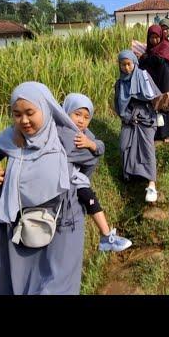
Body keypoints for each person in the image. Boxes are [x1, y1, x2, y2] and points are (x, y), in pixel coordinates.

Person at [0, 82, 89, 295]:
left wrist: (78, 179)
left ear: (46, 107)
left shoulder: (66, 137)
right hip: (19, 222)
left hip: (63, 221)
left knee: (57, 283)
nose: (24, 120)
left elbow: (93, 157)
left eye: (30, 113)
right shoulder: (12, 137)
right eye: (17, 114)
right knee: (17, 280)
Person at [61, 93, 132, 252]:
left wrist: (91, 144)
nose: (81, 120)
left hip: (74, 178)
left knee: (88, 196)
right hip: (63, 179)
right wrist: (92, 147)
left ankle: (106, 235)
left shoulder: (82, 133)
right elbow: (98, 151)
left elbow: (99, 145)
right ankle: (106, 236)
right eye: (77, 114)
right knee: (87, 196)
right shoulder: (66, 133)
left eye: (86, 117)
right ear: (66, 111)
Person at [114, 50, 161, 203]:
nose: (127, 68)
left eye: (129, 64)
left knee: (147, 148)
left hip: (146, 116)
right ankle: (131, 174)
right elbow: (118, 104)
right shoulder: (120, 83)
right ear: (119, 66)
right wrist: (126, 116)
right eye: (123, 65)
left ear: (134, 63)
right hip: (129, 118)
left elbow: (155, 96)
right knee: (123, 146)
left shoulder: (143, 76)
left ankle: (151, 184)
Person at [138, 24, 169, 142]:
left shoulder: (165, 46)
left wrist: (146, 58)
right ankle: (156, 133)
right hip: (154, 81)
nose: (154, 40)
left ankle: (168, 133)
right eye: (151, 37)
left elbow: (159, 60)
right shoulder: (148, 50)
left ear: (161, 36)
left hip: (166, 80)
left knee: (167, 102)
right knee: (155, 104)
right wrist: (144, 58)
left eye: (156, 37)